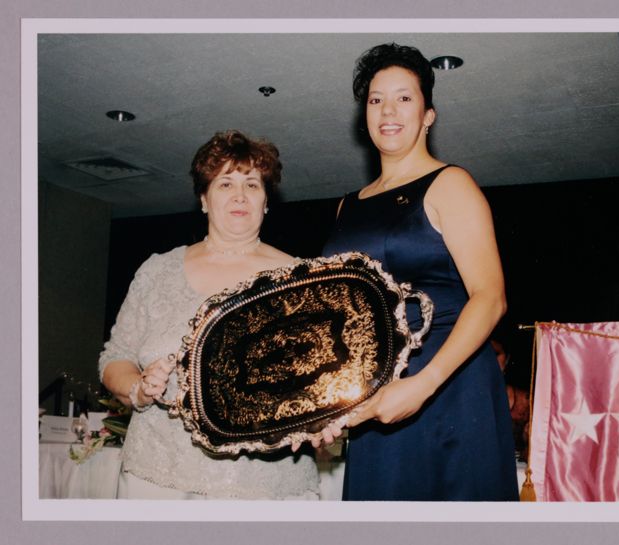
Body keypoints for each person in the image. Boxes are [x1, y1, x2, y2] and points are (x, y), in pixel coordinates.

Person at [322, 43, 519, 500]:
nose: (388, 110)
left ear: (428, 114)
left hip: (447, 385)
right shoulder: (346, 206)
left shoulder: (451, 183)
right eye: (375, 99)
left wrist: (422, 385)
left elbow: (490, 297)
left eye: (404, 98)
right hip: (376, 393)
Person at [99, 130, 319, 500]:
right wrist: (138, 388)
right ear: (203, 199)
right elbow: (115, 356)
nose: (239, 195)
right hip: (155, 479)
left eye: (252, 184)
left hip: (263, 486)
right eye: (225, 183)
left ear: (266, 201)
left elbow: (319, 379)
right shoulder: (157, 271)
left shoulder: (299, 278)